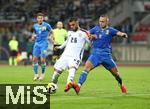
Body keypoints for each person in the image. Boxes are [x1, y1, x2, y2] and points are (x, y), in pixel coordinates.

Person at [69, 15, 128, 94]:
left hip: (106, 55)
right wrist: (90, 36)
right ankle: (78, 86)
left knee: (116, 75)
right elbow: (87, 33)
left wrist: (123, 34)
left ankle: (121, 84)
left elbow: (119, 33)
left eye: (103, 21)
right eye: (100, 21)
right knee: (85, 69)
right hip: (95, 54)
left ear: (107, 22)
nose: (101, 23)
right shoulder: (95, 29)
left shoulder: (110, 30)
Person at [47, 17, 90, 93]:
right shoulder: (69, 32)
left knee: (72, 69)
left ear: (77, 23)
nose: (72, 27)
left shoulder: (84, 33)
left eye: (73, 25)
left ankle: (69, 83)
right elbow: (67, 42)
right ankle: (52, 85)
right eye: (70, 25)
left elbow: (91, 42)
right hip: (65, 55)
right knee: (56, 73)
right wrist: (59, 47)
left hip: (75, 56)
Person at [32, 12, 53, 81]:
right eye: (38, 18)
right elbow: (34, 32)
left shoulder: (47, 25)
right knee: (34, 59)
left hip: (44, 43)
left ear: (43, 19)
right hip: (37, 43)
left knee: (42, 60)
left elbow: (52, 32)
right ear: (37, 19)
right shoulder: (35, 25)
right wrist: (33, 36)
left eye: (41, 18)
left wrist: (50, 37)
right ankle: (36, 74)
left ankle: (42, 74)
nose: (40, 19)